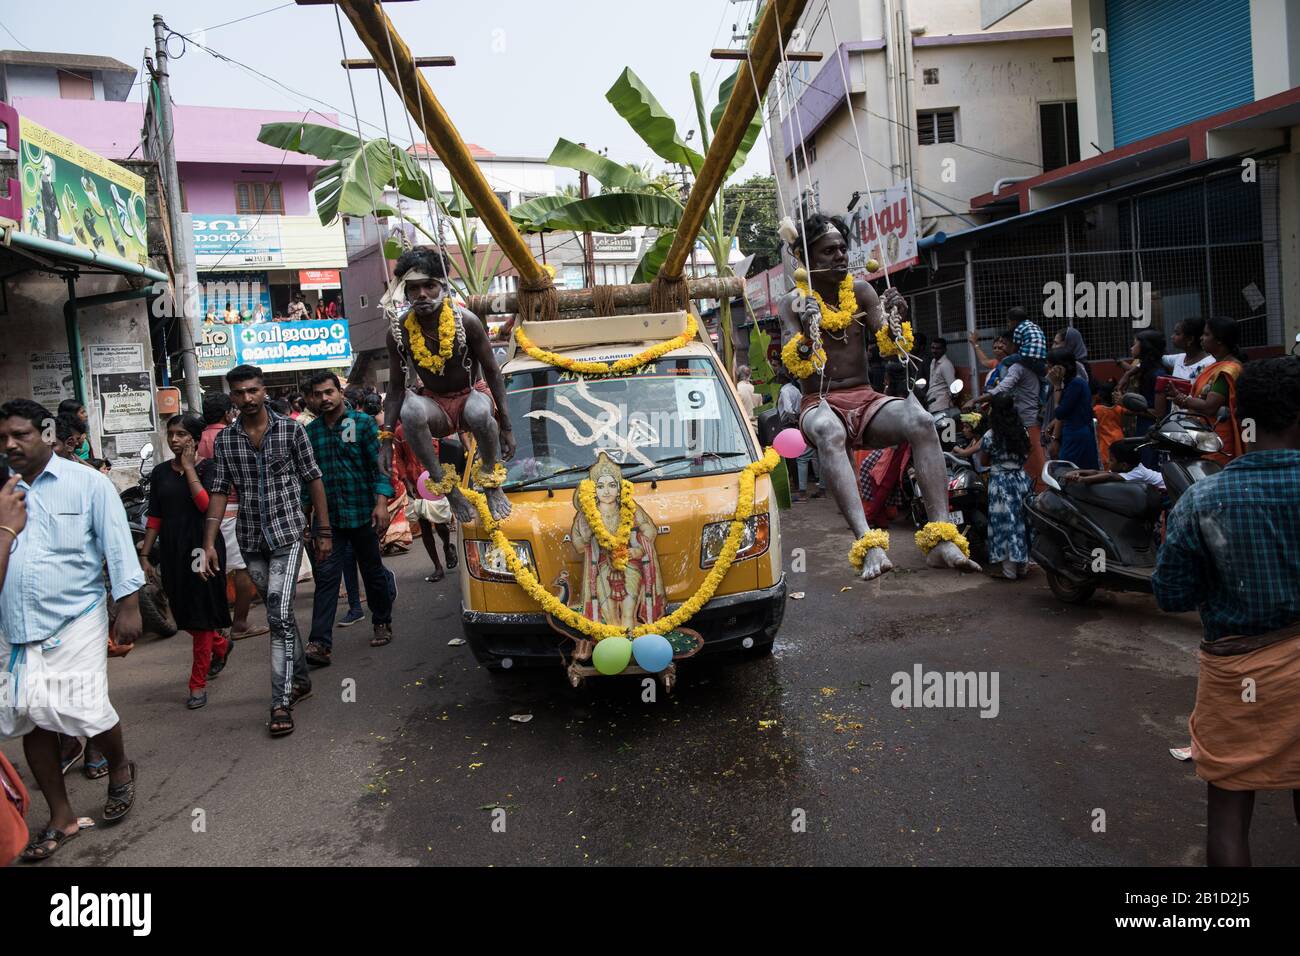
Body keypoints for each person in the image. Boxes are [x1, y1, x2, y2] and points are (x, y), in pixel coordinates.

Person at [1152, 356, 1300, 867]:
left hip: (1238, 679)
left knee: (1229, 816)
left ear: (1239, 415)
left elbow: (1170, 595)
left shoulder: (1202, 499)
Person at [778, 213, 978, 579]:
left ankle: (940, 539)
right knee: (829, 430)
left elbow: (891, 347)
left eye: (842, 249)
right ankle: (868, 545)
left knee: (921, 419)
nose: (840, 257)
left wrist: (897, 316)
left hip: (866, 399)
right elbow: (798, 367)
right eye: (829, 252)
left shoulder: (862, 291)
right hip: (819, 404)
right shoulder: (792, 302)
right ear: (807, 261)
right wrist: (807, 332)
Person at [0, 400, 143, 861]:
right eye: (3, 437)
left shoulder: (88, 484)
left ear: (44, 432)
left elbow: (118, 545)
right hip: (15, 626)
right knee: (32, 715)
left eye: (19, 434)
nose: (9, 444)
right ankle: (61, 816)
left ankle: (118, 766)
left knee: (84, 706)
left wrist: (128, 604)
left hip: (76, 618)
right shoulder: (3, 491)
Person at [201, 365, 331, 738]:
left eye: (253, 390)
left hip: (288, 533)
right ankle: (301, 679)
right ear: (232, 397)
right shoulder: (226, 440)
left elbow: (313, 478)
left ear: (263, 391)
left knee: (276, 611)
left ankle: (280, 701)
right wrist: (209, 543)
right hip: (250, 538)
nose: (247, 398)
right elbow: (221, 490)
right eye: (240, 393)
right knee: (281, 614)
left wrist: (323, 531)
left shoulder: (291, 429)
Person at [379, 247, 515, 525]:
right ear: (405, 294)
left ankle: (490, 480)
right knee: (410, 409)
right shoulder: (400, 330)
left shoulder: (467, 322)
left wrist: (507, 427)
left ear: (443, 288)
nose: (422, 295)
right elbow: (394, 388)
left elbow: (492, 372)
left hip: (471, 397)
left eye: (429, 286)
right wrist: (386, 442)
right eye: (414, 289)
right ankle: (448, 489)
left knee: (478, 413)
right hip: (435, 405)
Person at [138, 414, 233, 709]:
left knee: (201, 616)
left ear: (194, 438)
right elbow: (155, 515)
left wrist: (190, 468)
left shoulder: (211, 468)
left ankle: (197, 684)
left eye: (181, 434)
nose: (175, 440)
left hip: (202, 548)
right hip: (173, 549)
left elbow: (206, 506)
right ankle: (220, 644)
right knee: (183, 612)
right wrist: (145, 554)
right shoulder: (160, 473)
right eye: (171, 434)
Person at [301, 371, 395, 665]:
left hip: (362, 513)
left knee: (372, 571)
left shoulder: (362, 423)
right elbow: (307, 480)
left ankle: (381, 620)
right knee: (327, 578)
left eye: (329, 392)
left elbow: (379, 468)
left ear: (340, 392)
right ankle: (319, 643)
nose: (324, 398)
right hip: (329, 521)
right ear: (311, 399)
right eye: (317, 394)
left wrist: (381, 504)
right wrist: (306, 520)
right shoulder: (311, 432)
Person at [197, 392, 262, 641]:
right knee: (241, 568)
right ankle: (240, 624)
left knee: (209, 568)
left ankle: (215, 623)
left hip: (204, 512)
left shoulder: (197, 437)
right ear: (228, 413)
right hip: (232, 507)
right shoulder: (233, 437)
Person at [1166, 315, 1244, 464]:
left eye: (1207, 334)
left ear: (1219, 340)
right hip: (1205, 435)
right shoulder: (1217, 365)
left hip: (1217, 437)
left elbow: (1210, 407)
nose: (1201, 338)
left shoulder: (1227, 369)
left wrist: (1182, 399)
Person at [973, 336, 1045, 490]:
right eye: (996, 344)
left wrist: (975, 401)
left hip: (1023, 420)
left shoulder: (1015, 368)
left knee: (1032, 465)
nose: (999, 346)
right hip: (1015, 419)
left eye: (1003, 343)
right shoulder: (1008, 366)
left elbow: (1002, 389)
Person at [980, 394, 1032, 580]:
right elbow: (1027, 455)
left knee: (1004, 525)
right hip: (1021, 482)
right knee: (1022, 524)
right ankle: (1023, 567)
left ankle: (1008, 572)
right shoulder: (1023, 432)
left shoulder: (990, 435)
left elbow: (983, 461)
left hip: (1000, 484)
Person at [1046, 346, 1100, 469]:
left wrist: (1057, 386)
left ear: (1059, 367)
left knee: (1070, 472)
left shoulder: (1076, 384)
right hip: (1074, 433)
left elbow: (1060, 412)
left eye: (1050, 367)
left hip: (1077, 436)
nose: (1048, 371)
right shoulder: (1071, 383)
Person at [1064, 440, 1166, 491]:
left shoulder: (1137, 473)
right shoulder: (1129, 467)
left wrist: (1083, 480)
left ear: (1124, 465)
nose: (1108, 462)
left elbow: (1109, 476)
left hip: (1166, 488)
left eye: (1111, 460)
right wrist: (1078, 471)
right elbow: (1097, 472)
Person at [1092, 380, 1125, 469]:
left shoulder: (1097, 410)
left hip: (1105, 442)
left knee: (1107, 465)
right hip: (1119, 438)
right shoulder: (1119, 408)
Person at [925, 338, 956, 411]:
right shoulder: (933, 362)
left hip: (942, 406)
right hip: (932, 404)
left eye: (938, 348)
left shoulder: (946, 365)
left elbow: (953, 389)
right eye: (933, 348)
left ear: (944, 350)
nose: (934, 351)